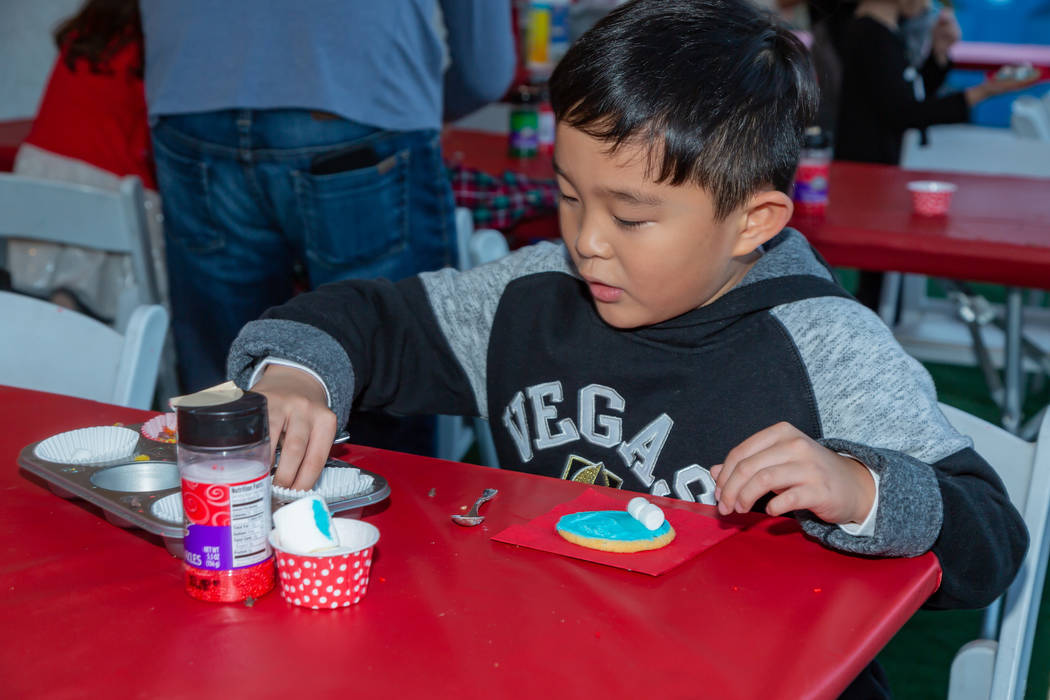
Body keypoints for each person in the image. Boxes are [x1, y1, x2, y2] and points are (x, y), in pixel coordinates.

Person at [227, 1, 1027, 696]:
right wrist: (297, 374)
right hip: (541, 660)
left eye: (632, 217)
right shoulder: (532, 295)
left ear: (754, 222)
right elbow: (367, 319)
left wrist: (860, 487)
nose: (587, 243)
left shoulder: (824, 346)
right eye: (569, 197)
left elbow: (991, 538)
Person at [139, 0, 516, 395]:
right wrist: (413, 106)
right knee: (387, 366)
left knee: (224, 388)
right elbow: (484, 72)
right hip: (363, 108)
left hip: (192, 100)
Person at [834, 0, 1036, 308]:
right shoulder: (870, 33)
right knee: (878, 275)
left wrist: (939, 53)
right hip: (869, 170)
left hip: (878, 166)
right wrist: (986, 91)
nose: (928, 4)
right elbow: (903, 112)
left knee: (882, 276)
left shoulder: (884, 31)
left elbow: (909, 93)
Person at [7, 0, 165, 323]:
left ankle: (62, 326)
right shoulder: (153, 41)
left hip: (38, 174)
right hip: (113, 186)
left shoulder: (83, 33)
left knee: (65, 292)